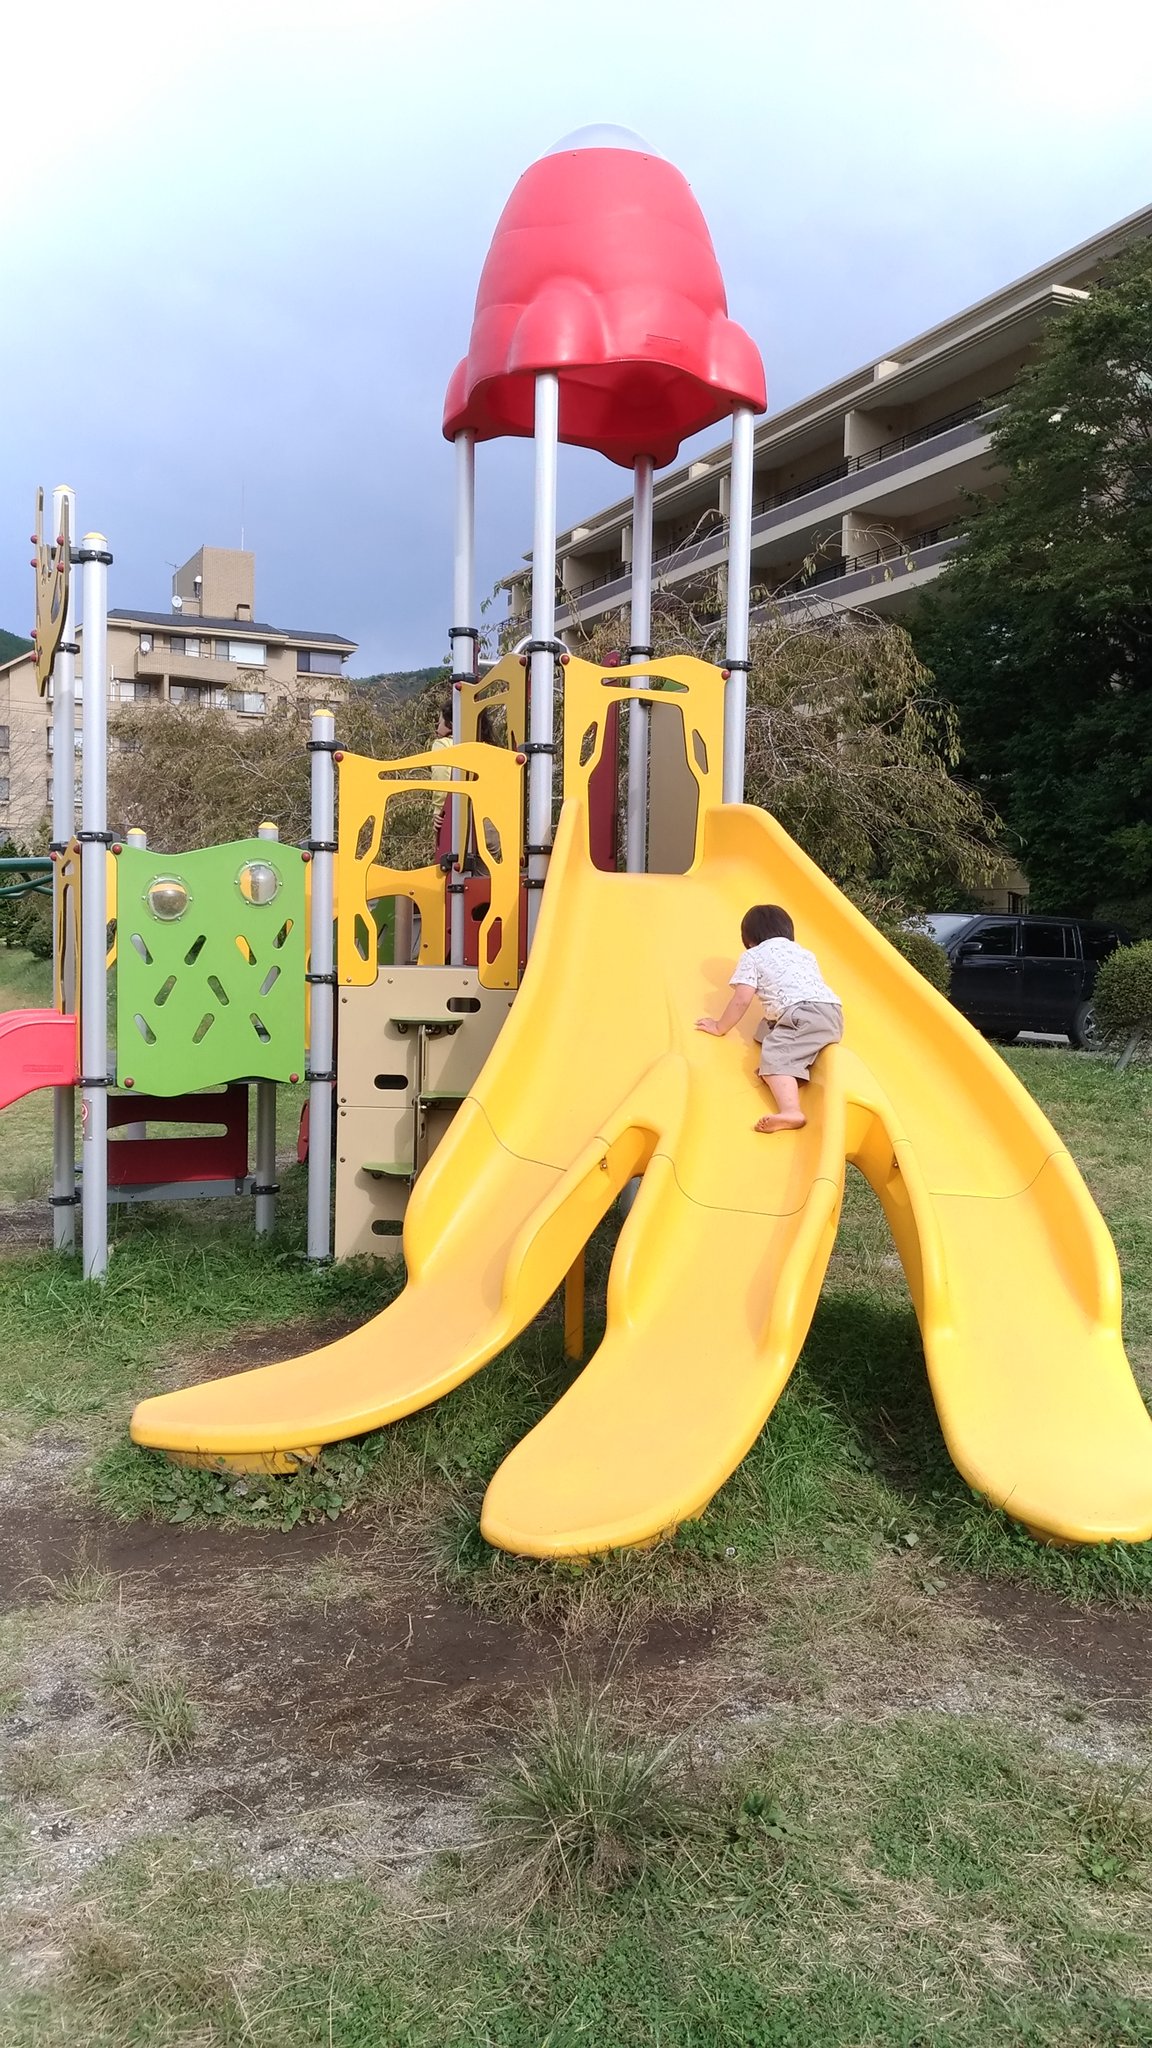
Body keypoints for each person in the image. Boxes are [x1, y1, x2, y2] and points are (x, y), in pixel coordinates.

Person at [695, 903, 843, 1133]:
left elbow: (742, 999)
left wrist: (719, 1026)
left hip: (801, 1014)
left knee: (774, 1053)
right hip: (832, 1013)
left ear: (749, 938)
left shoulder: (752, 956)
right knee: (766, 1029)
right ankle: (788, 1068)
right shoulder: (804, 953)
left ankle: (791, 1110)